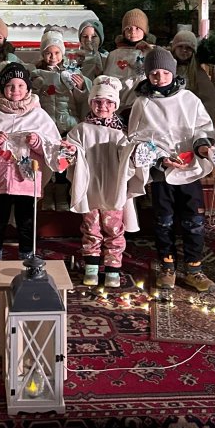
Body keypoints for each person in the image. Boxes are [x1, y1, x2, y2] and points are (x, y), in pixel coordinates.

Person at [127, 47, 215, 293]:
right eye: (154, 73)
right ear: (147, 75)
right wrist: (159, 158)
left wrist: (201, 147)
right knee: (163, 220)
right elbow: (135, 137)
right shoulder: (143, 103)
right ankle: (167, 265)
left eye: (165, 73)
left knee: (193, 220)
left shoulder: (189, 99)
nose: (160, 78)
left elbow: (203, 128)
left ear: (173, 73)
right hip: (161, 172)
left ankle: (194, 268)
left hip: (189, 167)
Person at [0, 63, 62, 283]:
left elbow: (53, 144)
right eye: (10, 85)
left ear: (28, 88)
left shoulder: (38, 114)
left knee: (26, 220)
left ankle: (28, 259)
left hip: (27, 178)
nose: (15, 90)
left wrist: (37, 142)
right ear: (2, 88)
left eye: (20, 85)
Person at [64, 76, 142, 289]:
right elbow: (70, 150)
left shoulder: (120, 133)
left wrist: (133, 153)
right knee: (91, 227)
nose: (103, 106)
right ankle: (91, 266)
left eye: (109, 102)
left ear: (115, 105)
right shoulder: (81, 129)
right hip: (89, 187)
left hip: (112, 187)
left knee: (114, 227)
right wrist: (70, 151)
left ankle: (112, 268)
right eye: (98, 102)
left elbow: (128, 159)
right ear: (91, 103)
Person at [30, 28, 90, 211]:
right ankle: (48, 190)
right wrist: (35, 87)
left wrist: (80, 87)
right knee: (47, 157)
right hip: (45, 125)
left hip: (67, 123)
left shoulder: (71, 73)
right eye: (48, 53)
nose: (53, 57)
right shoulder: (36, 73)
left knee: (64, 157)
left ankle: (62, 191)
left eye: (56, 52)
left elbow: (81, 100)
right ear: (43, 54)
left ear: (62, 54)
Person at [103, 8, 155, 111]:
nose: (133, 32)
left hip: (142, 104)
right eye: (128, 28)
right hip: (117, 103)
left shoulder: (150, 52)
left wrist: (150, 52)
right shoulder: (114, 54)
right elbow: (108, 77)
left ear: (145, 31)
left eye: (137, 28)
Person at [169, 28, 215, 121]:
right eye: (180, 46)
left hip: (190, 118)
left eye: (188, 48)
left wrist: (203, 121)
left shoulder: (198, 73)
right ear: (174, 48)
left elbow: (210, 101)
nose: (184, 50)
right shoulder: (167, 69)